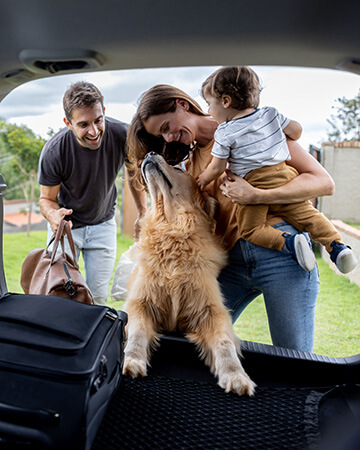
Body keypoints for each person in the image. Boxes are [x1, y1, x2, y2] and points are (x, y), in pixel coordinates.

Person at [126, 83, 335, 353]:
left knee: (294, 358)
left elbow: (323, 183)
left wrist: (256, 196)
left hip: (282, 255)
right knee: (188, 343)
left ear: (182, 104)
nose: (168, 138)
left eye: (166, 127)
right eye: (161, 135)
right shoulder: (191, 164)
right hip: (231, 262)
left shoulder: (254, 128)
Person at [196, 66, 357, 274]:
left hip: (254, 183)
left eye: (209, 104)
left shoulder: (224, 133)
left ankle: (289, 243)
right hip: (285, 176)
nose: (209, 111)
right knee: (309, 216)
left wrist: (202, 179)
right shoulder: (270, 114)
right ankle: (338, 247)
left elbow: (217, 167)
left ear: (226, 101)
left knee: (251, 230)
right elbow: (297, 131)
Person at [38, 81, 146, 305]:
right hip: (66, 228)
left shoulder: (122, 135)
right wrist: (54, 217)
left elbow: (134, 174)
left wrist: (143, 213)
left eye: (98, 120)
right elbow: (47, 199)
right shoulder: (55, 150)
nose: (94, 131)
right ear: (68, 123)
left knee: (96, 298)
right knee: (61, 296)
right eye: (83, 124)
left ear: (104, 112)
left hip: (103, 225)